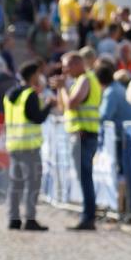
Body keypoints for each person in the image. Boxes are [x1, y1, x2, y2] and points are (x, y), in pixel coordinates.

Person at [4, 61, 56, 231]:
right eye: (38, 74)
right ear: (33, 75)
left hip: (13, 144)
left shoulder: (10, 94)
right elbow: (38, 118)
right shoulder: (29, 95)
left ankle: (13, 219)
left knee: (15, 184)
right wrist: (49, 105)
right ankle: (30, 219)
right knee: (32, 184)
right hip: (29, 146)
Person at [57, 51, 102, 230]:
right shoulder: (79, 81)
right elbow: (62, 107)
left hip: (84, 135)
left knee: (85, 178)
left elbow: (71, 104)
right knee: (84, 178)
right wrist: (60, 89)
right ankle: (88, 216)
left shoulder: (85, 80)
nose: (64, 70)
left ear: (77, 64)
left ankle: (88, 218)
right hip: (82, 135)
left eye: (66, 66)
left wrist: (62, 87)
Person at [96, 60, 131, 172]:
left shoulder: (111, 92)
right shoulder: (117, 88)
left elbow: (104, 116)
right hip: (129, 135)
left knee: (124, 171)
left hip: (125, 137)